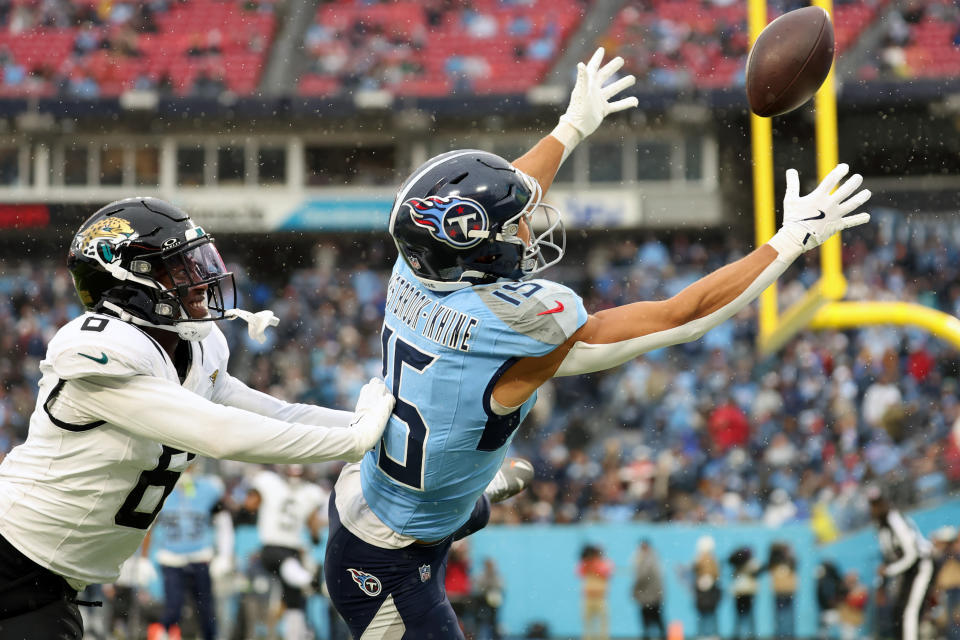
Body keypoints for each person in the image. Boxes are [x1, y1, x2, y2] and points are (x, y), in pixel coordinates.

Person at [325, 45, 872, 638]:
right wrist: (788, 243)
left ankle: (474, 496)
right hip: (387, 558)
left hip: (372, 486)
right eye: (514, 226)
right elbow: (679, 316)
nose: (528, 226)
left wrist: (572, 126)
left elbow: (496, 202)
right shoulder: (515, 331)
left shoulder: (414, 269)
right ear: (474, 248)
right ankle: (473, 498)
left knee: (463, 487)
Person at [0, 197, 396, 640]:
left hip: (49, 578)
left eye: (197, 261)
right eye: (180, 268)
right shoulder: (100, 355)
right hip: (13, 560)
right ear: (129, 281)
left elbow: (279, 412)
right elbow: (221, 434)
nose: (200, 278)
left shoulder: (194, 349)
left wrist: (374, 426)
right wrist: (355, 440)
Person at [146, 463, 234, 640]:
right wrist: (143, 558)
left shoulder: (208, 489)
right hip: (171, 557)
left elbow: (224, 522)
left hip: (199, 555)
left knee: (206, 610)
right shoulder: (161, 489)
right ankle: (162, 634)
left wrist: (225, 555)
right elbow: (148, 525)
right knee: (173, 609)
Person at [245, 464, 328, 640]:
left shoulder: (309, 492)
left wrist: (315, 535)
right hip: (272, 548)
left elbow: (313, 522)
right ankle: (310, 582)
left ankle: (295, 636)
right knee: (287, 564)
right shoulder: (270, 482)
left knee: (293, 599)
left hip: (292, 550)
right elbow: (250, 504)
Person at [868, 486, 935, 640]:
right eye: (873, 505)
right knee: (898, 611)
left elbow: (912, 554)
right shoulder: (882, 527)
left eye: (878, 503)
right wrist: (882, 584)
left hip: (920, 566)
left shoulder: (894, 519)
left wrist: (890, 570)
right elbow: (888, 558)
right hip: (906, 570)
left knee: (909, 611)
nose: (876, 509)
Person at [577, 544, 613, 640]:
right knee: (587, 624)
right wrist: (587, 562)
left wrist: (594, 564)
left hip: (600, 597)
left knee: (603, 624)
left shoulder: (605, 563)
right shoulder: (586, 563)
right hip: (587, 597)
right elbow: (579, 572)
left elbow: (606, 572)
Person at [631, 539, 666, 640]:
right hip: (654, 596)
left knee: (648, 622)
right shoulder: (655, 558)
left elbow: (642, 576)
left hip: (648, 597)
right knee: (657, 620)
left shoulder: (646, 559)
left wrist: (635, 590)